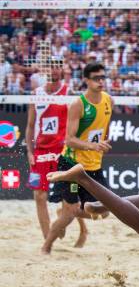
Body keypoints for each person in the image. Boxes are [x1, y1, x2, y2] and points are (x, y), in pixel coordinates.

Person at [42, 63, 114, 254]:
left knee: (105, 211)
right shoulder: (78, 104)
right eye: (96, 78)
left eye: (103, 77)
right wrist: (93, 145)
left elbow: (104, 129)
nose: (101, 81)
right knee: (71, 212)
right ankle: (46, 247)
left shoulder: (108, 100)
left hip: (94, 165)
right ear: (86, 80)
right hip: (71, 165)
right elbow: (69, 140)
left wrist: (104, 143)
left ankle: (67, 212)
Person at [25, 60, 87, 241]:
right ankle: (47, 239)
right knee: (39, 195)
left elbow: (78, 122)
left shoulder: (69, 93)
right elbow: (30, 126)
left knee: (70, 199)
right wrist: (29, 151)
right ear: (45, 70)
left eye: (59, 66)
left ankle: (82, 230)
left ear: (63, 70)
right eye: (51, 66)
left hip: (63, 151)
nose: (55, 69)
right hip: (41, 152)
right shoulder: (36, 94)